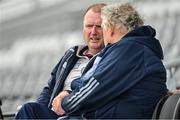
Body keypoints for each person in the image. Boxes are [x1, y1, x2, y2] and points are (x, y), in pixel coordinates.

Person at [53, 2, 168, 119]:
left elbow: (94, 88)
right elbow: (89, 83)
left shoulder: (128, 50)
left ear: (111, 28)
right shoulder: (131, 49)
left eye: (101, 27)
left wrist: (65, 103)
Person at [14, 3, 106, 119]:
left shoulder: (110, 58)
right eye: (89, 26)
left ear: (109, 28)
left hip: (79, 115)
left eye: (99, 26)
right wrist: (39, 111)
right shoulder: (71, 53)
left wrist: (67, 95)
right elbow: (50, 88)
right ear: (83, 28)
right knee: (29, 109)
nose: (93, 32)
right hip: (55, 115)